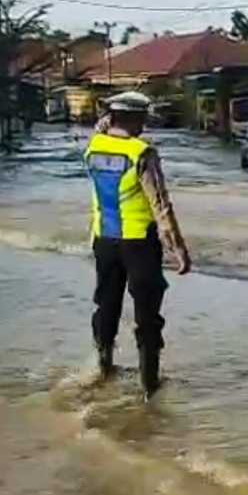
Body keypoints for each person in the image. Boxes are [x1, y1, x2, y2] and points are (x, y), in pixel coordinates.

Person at [85, 91, 191, 398]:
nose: (144, 124)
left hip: (104, 240)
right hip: (139, 243)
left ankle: (103, 365)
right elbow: (160, 205)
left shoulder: (94, 147)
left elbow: (100, 128)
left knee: (107, 305)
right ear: (134, 118)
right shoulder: (142, 153)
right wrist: (179, 249)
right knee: (147, 314)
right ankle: (149, 384)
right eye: (142, 118)